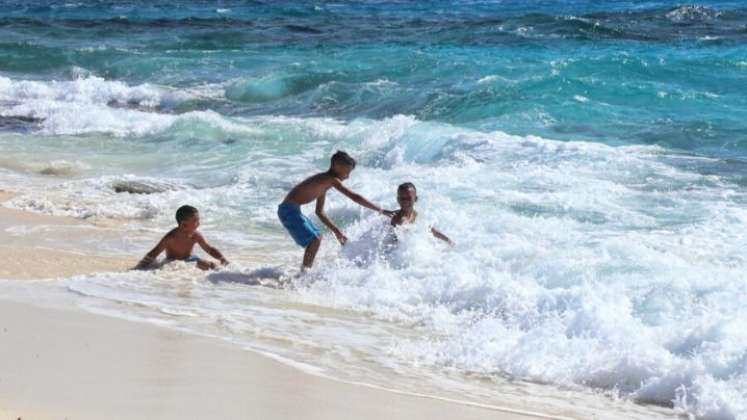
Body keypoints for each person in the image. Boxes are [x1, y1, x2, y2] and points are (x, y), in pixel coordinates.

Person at [278, 150, 394, 269]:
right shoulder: (330, 179)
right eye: (347, 172)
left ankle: (305, 270)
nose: (348, 176)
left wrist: (337, 231)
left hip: (290, 210)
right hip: (288, 211)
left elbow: (320, 212)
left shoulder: (324, 183)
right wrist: (381, 210)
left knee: (317, 237)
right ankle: (304, 272)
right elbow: (354, 197)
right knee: (315, 240)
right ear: (336, 166)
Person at [134, 205, 229, 271]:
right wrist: (138, 268)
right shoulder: (171, 237)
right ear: (184, 224)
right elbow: (153, 254)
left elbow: (209, 249)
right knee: (170, 270)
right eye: (196, 221)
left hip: (191, 259)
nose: (199, 224)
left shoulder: (196, 235)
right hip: (172, 262)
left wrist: (222, 258)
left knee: (211, 265)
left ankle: (226, 276)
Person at [389, 182, 453, 245]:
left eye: (409, 198)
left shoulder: (416, 214)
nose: (405, 201)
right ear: (398, 199)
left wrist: (448, 240)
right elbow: (396, 244)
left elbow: (431, 230)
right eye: (402, 198)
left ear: (415, 199)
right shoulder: (398, 219)